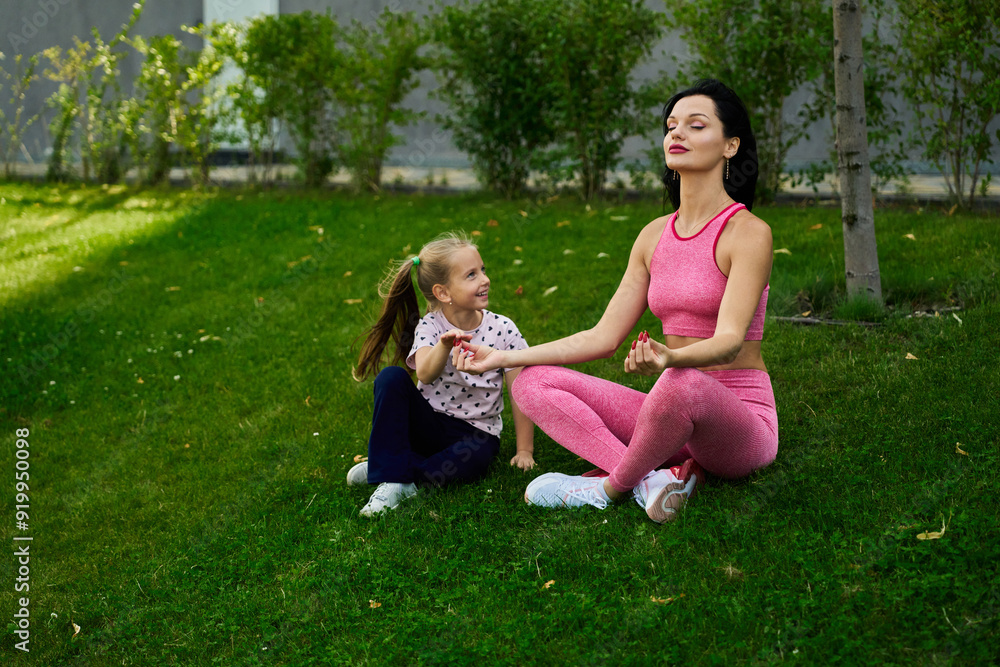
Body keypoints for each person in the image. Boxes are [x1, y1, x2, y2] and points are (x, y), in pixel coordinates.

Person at [451, 79, 777, 523]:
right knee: (530, 382)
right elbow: (602, 337)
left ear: (730, 145)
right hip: (671, 410)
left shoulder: (748, 233)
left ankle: (610, 486)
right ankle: (651, 479)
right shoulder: (653, 236)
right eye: (671, 125)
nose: (676, 134)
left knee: (682, 380)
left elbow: (729, 341)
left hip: (738, 423)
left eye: (695, 126)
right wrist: (502, 357)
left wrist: (667, 358)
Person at [349, 232, 535, 517]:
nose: (484, 279)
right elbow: (424, 372)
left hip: (477, 433)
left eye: (482, 270)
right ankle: (391, 473)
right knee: (390, 378)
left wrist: (525, 450)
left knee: (471, 462)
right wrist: (444, 345)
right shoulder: (429, 327)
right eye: (471, 275)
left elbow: (519, 389)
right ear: (443, 293)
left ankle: (393, 470)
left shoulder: (503, 329)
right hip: (430, 423)